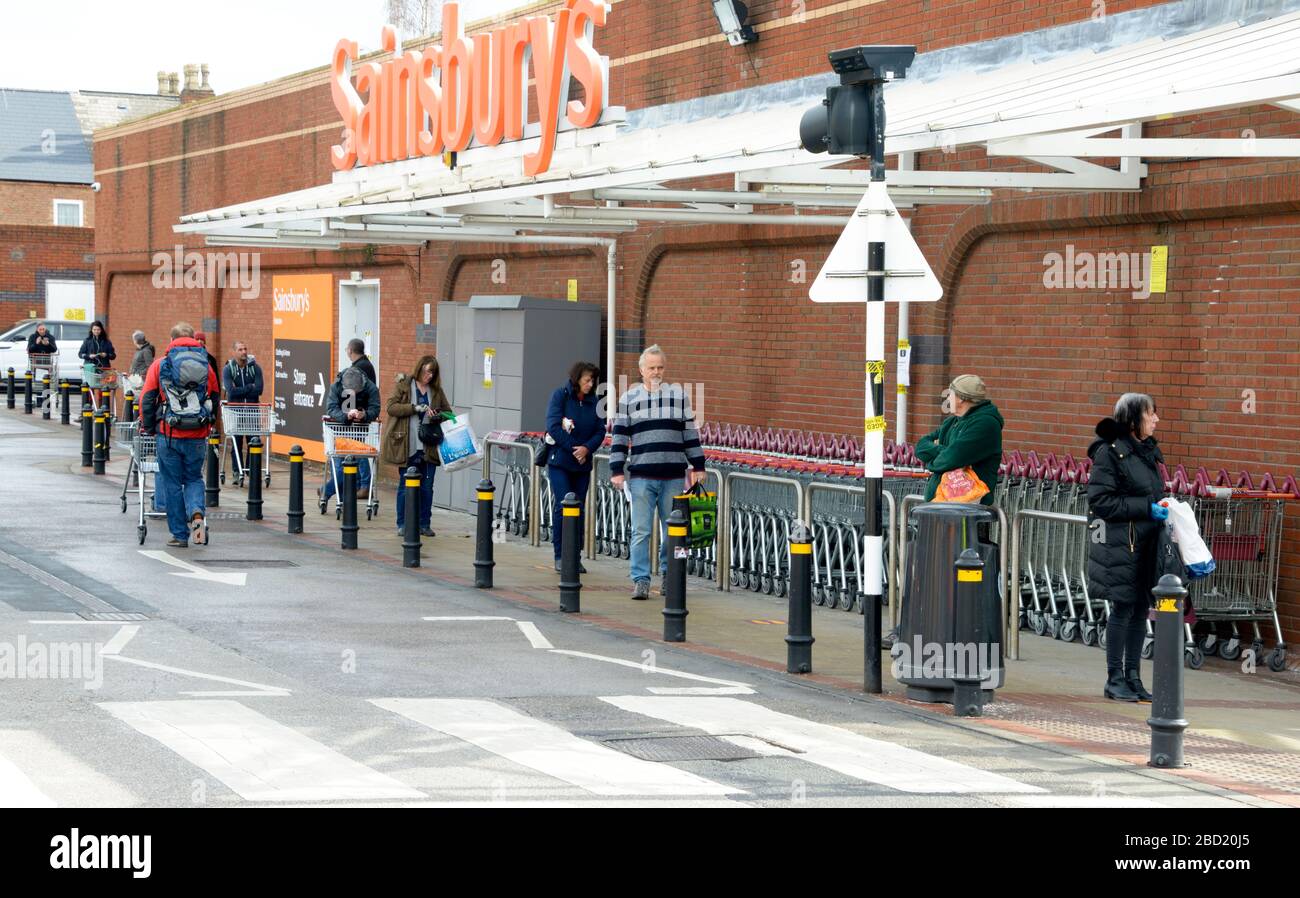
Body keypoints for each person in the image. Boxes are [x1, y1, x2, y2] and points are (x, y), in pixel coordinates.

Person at [609, 345, 706, 600]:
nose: (656, 372)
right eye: (651, 367)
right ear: (641, 370)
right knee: (641, 531)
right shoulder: (628, 399)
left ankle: (669, 576)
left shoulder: (679, 397)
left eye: (660, 367)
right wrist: (616, 470)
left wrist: (698, 466)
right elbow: (619, 437)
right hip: (641, 475)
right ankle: (640, 579)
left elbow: (689, 434)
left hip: (674, 475)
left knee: (672, 530)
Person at [1087, 393, 1166, 703]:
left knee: (1138, 611)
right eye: (1150, 414)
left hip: (1145, 543)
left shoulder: (1146, 452)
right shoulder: (1110, 453)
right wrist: (1147, 507)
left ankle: (1133, 676)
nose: (1156, 420)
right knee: (1122, 609)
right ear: (1134, 420)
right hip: (1122, 544)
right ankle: (1114, 678)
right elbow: (1101, 501)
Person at [139, 322, 219, 548]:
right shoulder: (207, 366)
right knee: (194, 478)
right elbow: (213, 398)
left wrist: (148, 427)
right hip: (197, 433)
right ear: (194, 339)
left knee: (172, 484)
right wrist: (209, 424)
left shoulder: (160, 365)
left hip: (169, 433)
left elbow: (147, 398)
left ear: (171, 339)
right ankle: (196, 513)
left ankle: (179, 535)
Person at [382, 356, 452, 538]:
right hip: (408, 444)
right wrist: (414, 408)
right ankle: (403, 523)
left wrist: (436, 414)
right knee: (405, 486)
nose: (429, 376)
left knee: (427, 487)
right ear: (419, 368)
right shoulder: (404, 385)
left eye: (432, 372)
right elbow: (391, 407)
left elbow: (449, 413)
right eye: (426, 371)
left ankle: (424, 524)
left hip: (429, 446)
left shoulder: (436, 391)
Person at [545, 361, 605, 573]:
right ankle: (560, 555)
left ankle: (575, 555)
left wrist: (586, 449)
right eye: (586, 380)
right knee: (564, 506)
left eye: (592, 381)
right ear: (577, 379)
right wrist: (574, 449)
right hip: (561, 461)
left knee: (578, 508)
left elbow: (600, 430)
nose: (590, 384)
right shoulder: (560, 395)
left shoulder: (595, 402)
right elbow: (553, 426)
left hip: (582, 464)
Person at [914, 374, 1003, 506]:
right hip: (940, 504)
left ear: (961, 398)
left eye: (950, 394)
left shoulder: (985, 424)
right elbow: (921, 447)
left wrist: (931, 463)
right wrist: (945, 451)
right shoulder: (951, 422)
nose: (948, 398)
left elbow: (951, 459)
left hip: (969, 508)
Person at [321, 366, 381, 506]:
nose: (353, 394)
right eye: (350, 391)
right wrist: (345, 416)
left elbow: (375, 408)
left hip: (358, 430)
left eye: (357, 392)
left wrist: (364, 414)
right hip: (338, 430)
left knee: (351, 464)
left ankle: (329, 493)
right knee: (339, 467)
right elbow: (331, 408)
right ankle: (342, 502)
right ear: (344, 386)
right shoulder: (336, 386)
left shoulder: (370, 388)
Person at [221, 340, 265, 472]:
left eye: (245, 349)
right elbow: (231, 391)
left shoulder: (255, 368)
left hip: (252, 410)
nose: (244, 352)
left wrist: (241, 389)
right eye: (240, 350)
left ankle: (250, 470)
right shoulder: (228, 369)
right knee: (237, 442)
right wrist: (249, 387)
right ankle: (237, 471)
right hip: (235, 411)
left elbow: (259, 390)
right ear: (233, 352)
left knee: (253, 441)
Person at [77, 320, 117, 410]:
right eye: (94, 329)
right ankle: (86, 412)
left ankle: (102, 411)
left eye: (98, 329)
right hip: (90, 369)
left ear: (101, 330)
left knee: (102, 391)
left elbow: (113, 355)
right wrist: (89, 356)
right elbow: (80, 354)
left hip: (103, 369)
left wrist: (106, 355)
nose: (96, 331)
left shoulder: (106, 342)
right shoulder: (87, 341)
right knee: (88, 391)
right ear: (91, 330)